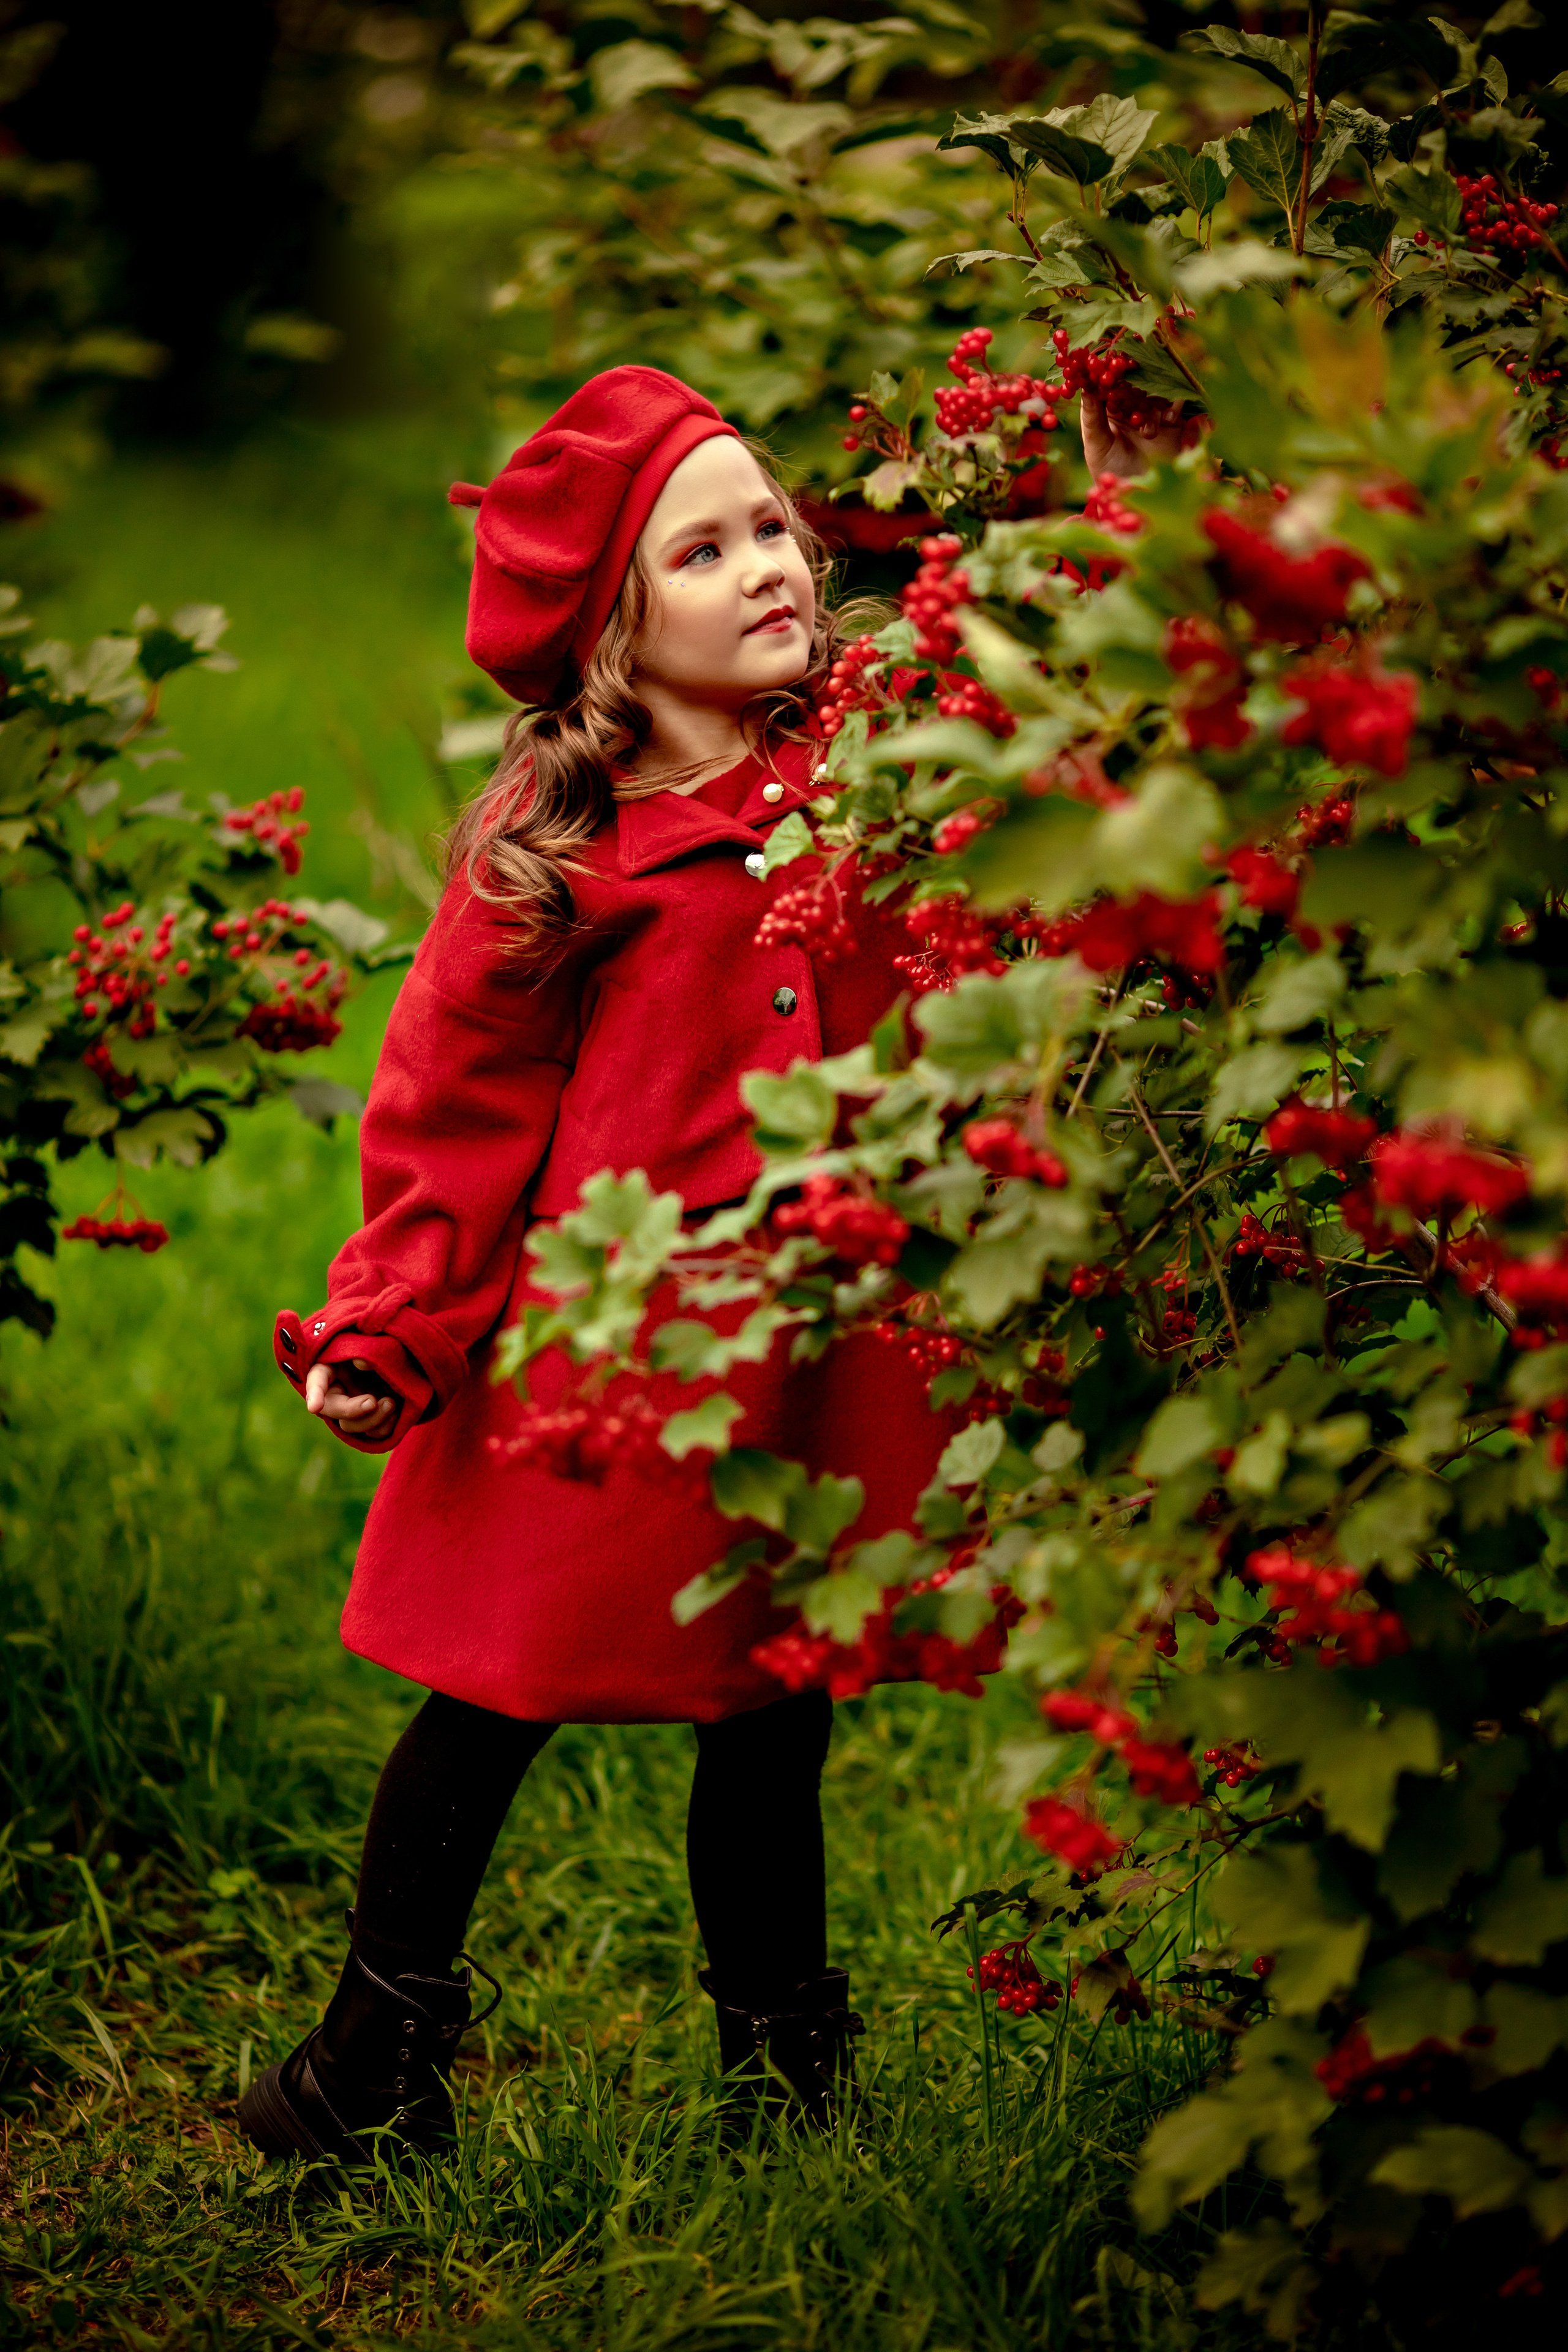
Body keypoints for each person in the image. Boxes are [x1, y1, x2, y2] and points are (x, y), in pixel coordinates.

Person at [238, 367, 954, 2165]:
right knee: (492, 1691)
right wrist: (393, 1317)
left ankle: (791, 2078)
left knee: (778, 1703)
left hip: (814, 1337)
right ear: (609, 631)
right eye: (700, 550)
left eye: (773, 526)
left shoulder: (874, 779)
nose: (770, 568)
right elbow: (448, 1112)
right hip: (609, 1351)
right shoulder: (559, 857)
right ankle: (372, 2062)